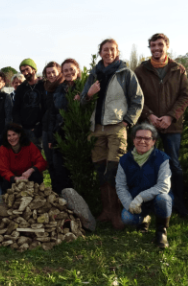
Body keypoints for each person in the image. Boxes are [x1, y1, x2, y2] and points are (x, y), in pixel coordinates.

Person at [80, 38, 144, 230]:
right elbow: (82, 102)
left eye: (112, 49)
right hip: (96, 128)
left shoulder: (125, 73)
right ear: (100, 53)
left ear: (117, 52)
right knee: (101, 171)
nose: (108, 52)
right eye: (105, 49)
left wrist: (127, 121)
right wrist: (89, 94)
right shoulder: (93, 74)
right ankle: (107, 211)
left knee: (115, 171)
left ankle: (116, 212)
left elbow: (137, 99)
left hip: (116, 127)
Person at [135, 33, 188, 217]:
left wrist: (170, 116)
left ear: (167, 46)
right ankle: (149, 207)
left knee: (174, 164)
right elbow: (136, 96)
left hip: (171, 126)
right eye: (152, 46)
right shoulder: (140, 70)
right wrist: (149, 116)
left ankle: (179, 204)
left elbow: (185, 96)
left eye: (160, 45)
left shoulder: (178, 70)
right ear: (149, 48)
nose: (156, 49)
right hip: (148, 126)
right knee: (149, 164)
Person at [116, 123, 172, 249]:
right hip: (135, 203)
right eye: (138, 137)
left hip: (155, 199)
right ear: (133, 139)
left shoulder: (162, 158)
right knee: (127, 218)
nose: (142, 141)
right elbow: (121, 186)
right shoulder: (124, 160)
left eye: (147, 138)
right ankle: (144, 219)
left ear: (153, 141)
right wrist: (129, 203)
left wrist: (141, 197)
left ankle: (161, 231)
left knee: (164, 199)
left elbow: (164, 186)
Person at [48, 59, 81, 194]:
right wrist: (52, 136)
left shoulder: (84, 87)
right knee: (60, 170)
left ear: (77, 70)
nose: (69, 72)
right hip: (60, 135)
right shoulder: (59, 90)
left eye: (71, 69)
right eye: (65, 70)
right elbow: (53, 114)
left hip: (78, 135)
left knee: (76, 171)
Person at [0, 123, 48, 191]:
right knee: (5, 183)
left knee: (36, 176)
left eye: (14, 134)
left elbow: (42, 162)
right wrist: (15, 178)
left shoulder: (29, 145)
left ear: (19, 134)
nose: (12, 138)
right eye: (9, 136)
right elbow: (3, 169)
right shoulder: (3, 149)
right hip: (12, 178)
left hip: (28, 176)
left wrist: (31, 170)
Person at [41, 61, 65, 192]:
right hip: (46, 128)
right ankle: (55, 191)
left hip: (56, 130)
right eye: (48, 73)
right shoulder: (47, 87)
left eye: (53, 72)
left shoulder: (61, 87)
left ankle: (61, 191)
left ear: (59, 72)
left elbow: (58, 115)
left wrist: (52, 137)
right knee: (50, 162)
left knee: (58, 164)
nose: (50, 75)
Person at [12, 58, 45, 149]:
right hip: (25, 129)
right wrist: (19, 126)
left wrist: (40, 126)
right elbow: (16, 109)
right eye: (23, 71)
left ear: (34, 69)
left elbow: (48, 108)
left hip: (40, 130)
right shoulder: (21, 88)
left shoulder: (44, 85)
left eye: (27, 69)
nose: (25, 73)